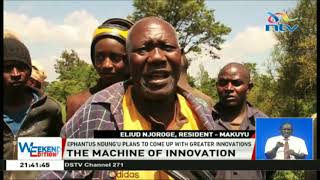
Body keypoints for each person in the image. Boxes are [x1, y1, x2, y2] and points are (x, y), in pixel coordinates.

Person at [40, 16, 216, 180]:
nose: (156, 57)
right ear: (129, 61)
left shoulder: (202, 112)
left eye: (167, 48)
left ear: (180, 55)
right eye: (143, 50)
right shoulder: (95, 113)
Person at [3, 36, 64, 179]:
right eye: (7, 68)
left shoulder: (49, 109)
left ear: (29, 71)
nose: (16, 74)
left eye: (22, 67)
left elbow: (60, 158)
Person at [65, 18, 133, 120]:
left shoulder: (144, 101)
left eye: (116, 58)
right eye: (100, 57)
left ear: (130, 60)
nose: (106, 65)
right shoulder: (77, 103)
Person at [212, 62, 268, 179]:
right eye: (223, 83)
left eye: (236, 83)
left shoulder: (264, 124)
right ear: (217, 86)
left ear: (249, 87)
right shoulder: (204, 120)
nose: (229, 88)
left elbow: (270, 170)